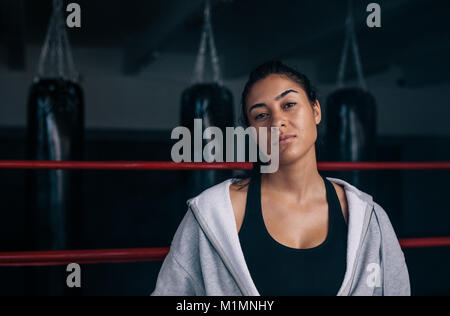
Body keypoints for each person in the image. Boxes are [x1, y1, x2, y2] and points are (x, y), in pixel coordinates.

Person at [151, 60, 410, 296]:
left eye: (289, 105)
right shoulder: (211, 213)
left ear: (316, 110)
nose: (277, 122)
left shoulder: (370, 217)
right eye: (261, 115)